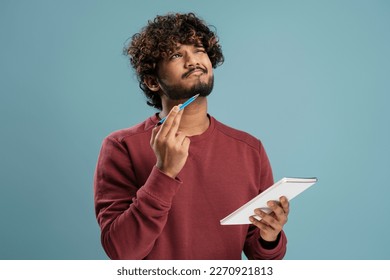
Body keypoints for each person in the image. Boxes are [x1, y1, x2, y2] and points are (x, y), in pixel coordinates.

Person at [94, 12, 289, 260]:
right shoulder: (122, 147)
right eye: (176, 55)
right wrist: (164, 173)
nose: (193, 61)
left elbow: (260, 260)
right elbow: (121, 251)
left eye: (199, 50)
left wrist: (269, 237)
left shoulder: (251, 150)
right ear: (153, 81)